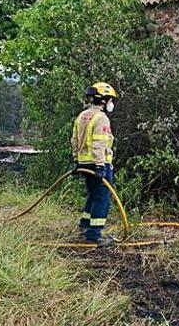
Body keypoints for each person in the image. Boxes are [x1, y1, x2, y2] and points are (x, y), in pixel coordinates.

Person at [71, 82, 118, 246]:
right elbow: (99, 143)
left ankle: (85, 226)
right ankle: (94, 235)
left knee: (92, 195)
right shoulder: (101, 118)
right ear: (104, 100)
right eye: (110, 100)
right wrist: (100, 166)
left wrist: (76, 161)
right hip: (98, 164)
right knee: (102, 198)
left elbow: (75, 140)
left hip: (84, 163)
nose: (111, 103)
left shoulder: (82, 115)